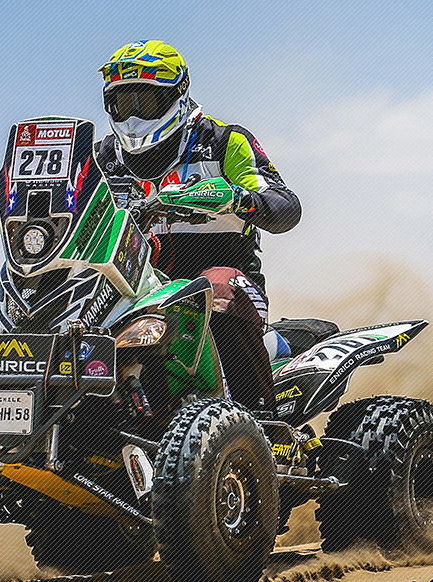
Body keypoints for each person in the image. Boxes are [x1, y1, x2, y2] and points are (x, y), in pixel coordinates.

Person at [95, 40, 301, 410]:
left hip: (227, 282)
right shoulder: (103, 156)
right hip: (138, 290)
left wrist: (238, 199)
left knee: (216, 289)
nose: (133, 117)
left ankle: (260, 422)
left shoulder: (224, 141)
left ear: (177, 95)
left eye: (144, 101)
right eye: (123, 103)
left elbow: (286, 206)